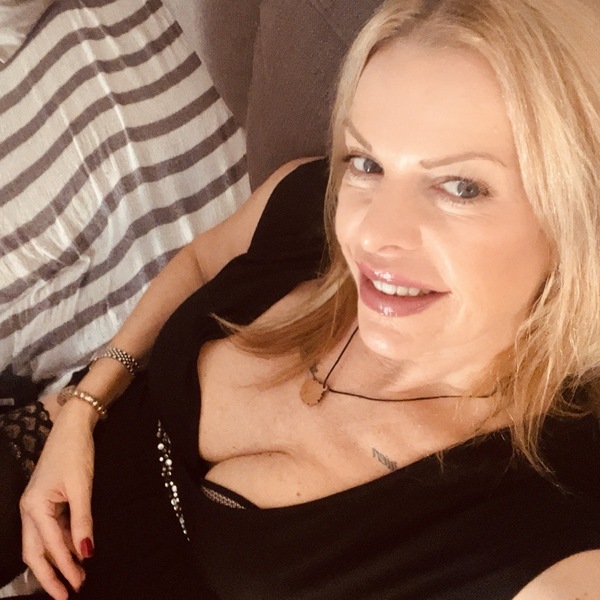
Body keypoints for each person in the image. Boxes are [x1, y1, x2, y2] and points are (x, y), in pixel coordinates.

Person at [2, 0, 600, 597]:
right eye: (367, 161)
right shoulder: (312, 198)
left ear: (579, 211)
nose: (370, 233)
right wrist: (83, 409)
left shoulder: (543, 523)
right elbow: (200, 261)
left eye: (461, 186)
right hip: (60, 445)